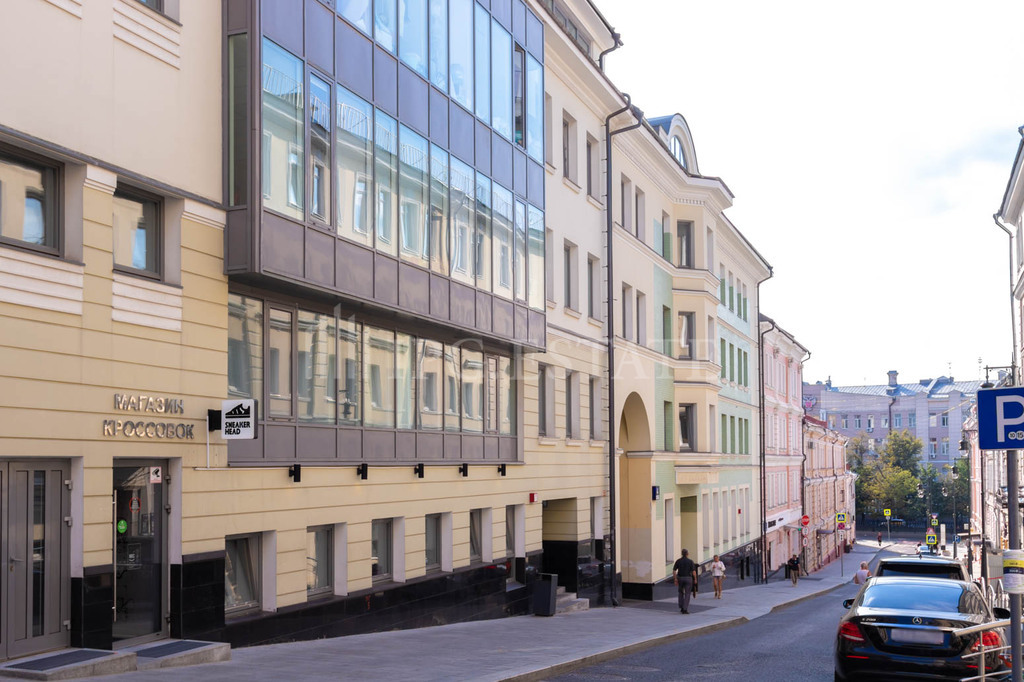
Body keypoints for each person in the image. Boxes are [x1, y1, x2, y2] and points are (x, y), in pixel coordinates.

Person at [672, 548, 697, 613]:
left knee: (680, 592)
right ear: (687, 554)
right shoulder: (690, 561)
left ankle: (681, 606)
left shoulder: (678, 561)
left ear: (682, 554)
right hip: (688, 578)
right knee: (687, 593)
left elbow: (674, 570)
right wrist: (695, 579)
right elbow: (694, 571)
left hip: (680, 578)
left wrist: (675, 579)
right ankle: (685, 608)